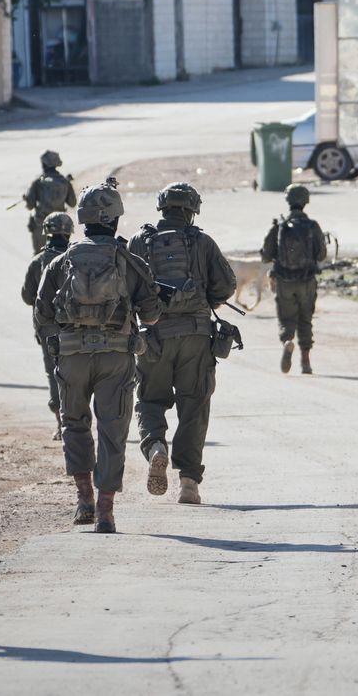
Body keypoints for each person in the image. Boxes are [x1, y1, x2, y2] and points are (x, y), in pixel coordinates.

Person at [36, 182, 161, 533]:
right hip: (115, 359)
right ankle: (106, 512)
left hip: (72, 358)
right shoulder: (129, 261)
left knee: (74, 424)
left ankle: (84, 501)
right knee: (112, 431)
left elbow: (42, 313)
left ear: (83, 219)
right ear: (115, 219)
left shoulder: (61, 261)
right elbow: (152, 316)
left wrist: (61, 340)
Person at [130, 183, 236, 505]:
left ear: (162, 208)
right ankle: (188, 483)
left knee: (150, 401)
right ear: (192, 210)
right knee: (194, 407)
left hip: (153, 338)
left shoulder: (139, 242)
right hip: (196, 338)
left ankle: (156, 447)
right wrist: (203, 301)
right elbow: (226, 285)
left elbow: (127, 289)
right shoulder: (202, 242)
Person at [260, 184, 327, 375]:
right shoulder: (312, 226)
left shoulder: (279, 227)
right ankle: (305, 361)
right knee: (306, 319)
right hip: (307, 281)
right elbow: (321, 255)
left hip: (284, 281)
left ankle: (287, 341)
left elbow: (265, 256)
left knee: (286, 318)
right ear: (306, 201)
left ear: (288, 201)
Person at [22, 212, 75, 441]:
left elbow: (27, 296)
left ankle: (61, 423)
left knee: (54, 373)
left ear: (46, 232)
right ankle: (77, 419)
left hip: (48, 329)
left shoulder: (38, 262)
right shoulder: (76, 257)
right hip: (75, 326)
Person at [24, 150, 77, 252]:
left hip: (41, 224)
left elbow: (30, 206)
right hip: (61, 227)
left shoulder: (38, 182)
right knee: (60, 255)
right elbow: (72, 203)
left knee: (40, 256)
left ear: (44, 164)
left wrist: (27, 199)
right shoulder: (64, 181)